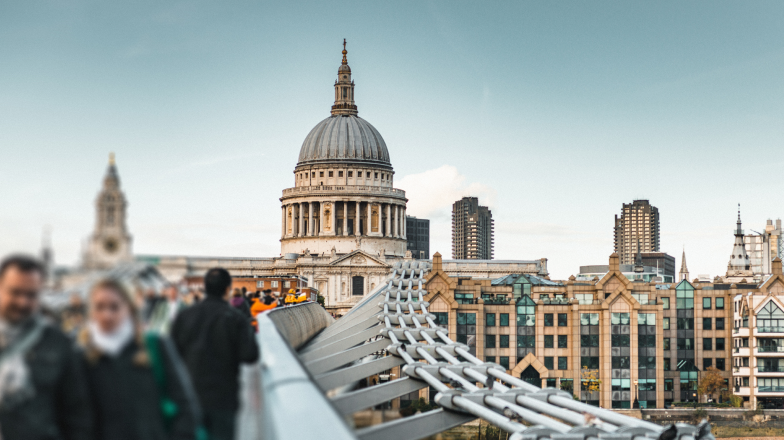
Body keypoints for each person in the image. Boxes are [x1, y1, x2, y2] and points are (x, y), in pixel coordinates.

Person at [79, 278, 200, 440]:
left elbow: (185, 405)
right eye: (99, 307)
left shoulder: (155, 346)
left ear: (128, 308)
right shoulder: (80, 357)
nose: (107, 315)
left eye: (114, 307)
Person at [0, 255, 92, 440]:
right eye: (15, 292)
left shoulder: (58, 343)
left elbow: (77, 414)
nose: (23, 302)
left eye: (31, 295)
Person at [171, 268, 259, 440]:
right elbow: (250, 355)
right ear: (227, 290)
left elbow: (173, 353)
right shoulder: (236, 318)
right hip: (223, 398)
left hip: (189, 395)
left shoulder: (185, 316)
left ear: (205, 287)